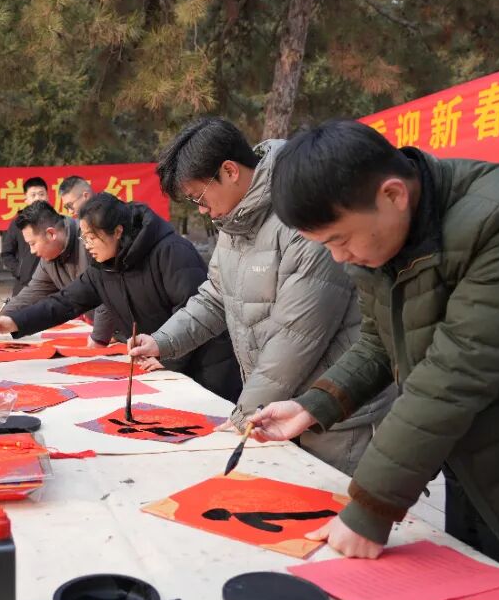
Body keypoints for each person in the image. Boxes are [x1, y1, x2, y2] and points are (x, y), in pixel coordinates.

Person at [248, 119, 499, 600]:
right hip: (473, 455)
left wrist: (371, 506)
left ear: (392, 194)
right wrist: (312, 405)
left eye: (341, 240)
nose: (340, 257)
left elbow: (458, 371)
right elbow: (378, 343)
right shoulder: (381, 238)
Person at [128, 117, 391, 475]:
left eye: (199, 197)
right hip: (276, 408)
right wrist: (162, 341)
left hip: (338, 415)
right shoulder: (235, 224)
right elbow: (215, 297)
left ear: (230, 171)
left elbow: (295, 334)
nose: (201, 209)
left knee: (336, 504)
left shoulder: (300, 214)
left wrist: (246, 412)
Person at [0, 193, 243, 402]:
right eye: (84, 237)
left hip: (207, 367)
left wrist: (168, 356)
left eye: (91, 237)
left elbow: (193, 312)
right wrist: (15, 321)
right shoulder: (104, 267)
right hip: (161, 364)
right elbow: (65, 302)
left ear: (117, 231)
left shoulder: (170, 251)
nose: (86, 245)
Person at [0, 201, 119, 345]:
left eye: (32, 244)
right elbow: (31, 294)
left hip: (120, 332)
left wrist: (99, 337)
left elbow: (108, 288)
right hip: (112, 335)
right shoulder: (49, 260)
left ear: (51, 234)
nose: (32, 251)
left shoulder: (89, 241)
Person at [0, 176, 49, 295]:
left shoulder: (57, 221)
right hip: (25, 285)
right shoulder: (17, 224)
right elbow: (7, 253)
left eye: (41, 194)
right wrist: (20, 271)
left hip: (52, 285)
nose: (38, 198)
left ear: (47, 196)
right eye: (33, 195)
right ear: (25, 199)